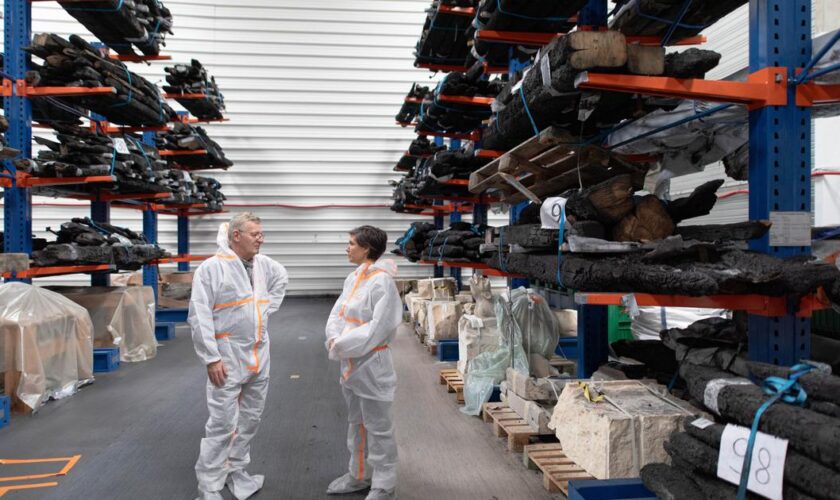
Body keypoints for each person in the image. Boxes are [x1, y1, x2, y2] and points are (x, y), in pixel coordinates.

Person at [188, 212, 288, 500]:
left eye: (261, 233)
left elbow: (282, 277)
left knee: (250, 419)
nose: (261, 238)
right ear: (236, 236)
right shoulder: (211, 269)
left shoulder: (263, 266)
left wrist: (265, 311)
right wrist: (211, 358)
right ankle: (209, 484)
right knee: (221, 423)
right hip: (227, 357)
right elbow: (199, 316)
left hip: (259, 354)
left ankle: (236, 470)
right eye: (255, 234)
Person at [325, 226, 403, 500]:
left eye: (351, 243)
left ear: (366, 248)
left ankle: (384, 483)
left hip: (372, 363)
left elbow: (378, 328)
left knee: (378, 426)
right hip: (351, 363)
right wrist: (334, 337)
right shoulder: (354, 277)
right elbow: (338, 313)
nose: (347, 248)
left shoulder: (382, 282)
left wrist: (341, 344)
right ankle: (358, 474)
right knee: (355, 422)